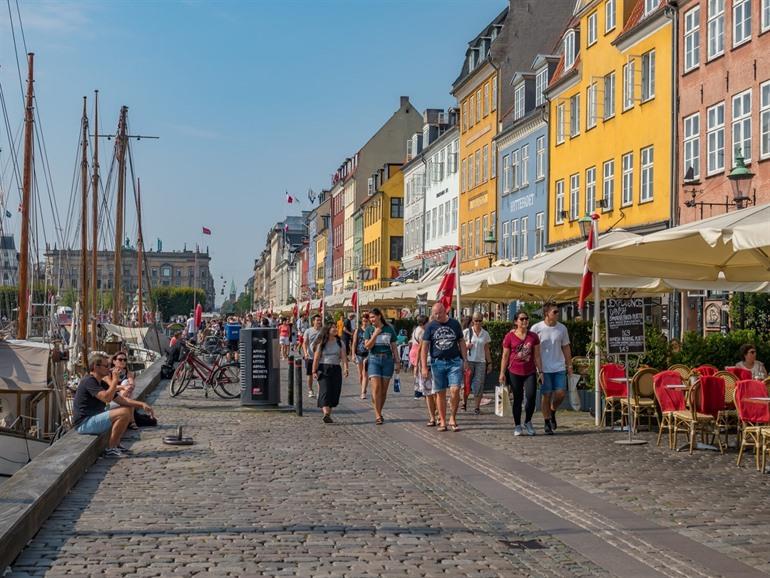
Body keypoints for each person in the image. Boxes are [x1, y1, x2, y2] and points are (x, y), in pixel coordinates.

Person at [73, 352, 155, 457]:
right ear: (96, 367)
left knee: (126, 408)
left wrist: (142, 404)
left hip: (93, 418)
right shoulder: (89, 381)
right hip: (84, 423)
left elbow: (122, 400)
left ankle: (116, 445)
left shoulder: (100, 382)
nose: (109, 368)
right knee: (123, 413)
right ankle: (111, 449)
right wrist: (115, 380)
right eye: (106, 366)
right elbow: (106, 398)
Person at [421, 302, 468, 432]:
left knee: (455, 389)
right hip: (437, 363)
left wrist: (465, 359)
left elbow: (461, 341)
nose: (437, 316)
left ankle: (452, 417)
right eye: (435, 314)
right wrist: (424, 366)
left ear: (445, 311)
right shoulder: (430, 326)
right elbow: (424, 347)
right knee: (440, 393)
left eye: (439, 313)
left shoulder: (455, 324)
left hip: (454, 362)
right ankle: (442, 420)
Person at [531, 303, 572, 434]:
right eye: (554, 312)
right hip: (544, 368)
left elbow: (566, 347)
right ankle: (547, 421)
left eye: (557, 311)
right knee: (546, 394)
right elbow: (530, 347)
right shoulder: (536, 328)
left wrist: (569, 365)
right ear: (546, 313)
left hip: (559, 366)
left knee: (561, 393)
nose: (557, 314)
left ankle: (553, 410)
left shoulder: (562, 328)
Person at [500, 310, 542, 436]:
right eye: (522, 319)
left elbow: (537, 356)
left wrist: (541, 371)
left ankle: (528, 421)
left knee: (531, 396)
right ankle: (517, 425)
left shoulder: (533, 336)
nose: (525, 321)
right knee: (517, 398)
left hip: (530, 371)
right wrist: (502, 372)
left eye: (526, 319)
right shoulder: (509, 337)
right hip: (514, 371)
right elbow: (505, 356)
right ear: (516, 321)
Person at [364, 307, 399, 425]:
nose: (372, 319)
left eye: (373, 317)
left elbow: (394, 346)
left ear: (379, 316)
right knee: (376, 388)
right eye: (370, 318)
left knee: (383, 391)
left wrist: (397, 361)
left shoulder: (389, 329)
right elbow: (367, 346)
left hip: (387, 360)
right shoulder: (369, 330)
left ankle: (379, 411)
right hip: (374, 359)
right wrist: (375, 334)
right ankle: (377, 415)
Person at [312, 324, 349, 423]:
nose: (335, 329)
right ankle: (326, 414)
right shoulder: (321, 343)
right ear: (327, 330)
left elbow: (344, 357)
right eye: (333, 327)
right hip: (323, 368)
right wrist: (314, 371)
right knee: (325, 390)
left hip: (336, 368)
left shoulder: (340, 342)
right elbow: (316, 358)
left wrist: (346, 368)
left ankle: (328, 414)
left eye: (336, 327)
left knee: (334, 391)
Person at [463, 314, 492, 415]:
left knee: (479, 385)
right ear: (472, 321)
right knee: (466, 384)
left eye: (480, 321)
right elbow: (459, 346)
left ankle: (477, 407)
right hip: (468, 361)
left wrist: (489, 363)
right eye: (476, 320)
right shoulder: (466, 332)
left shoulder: (485, 334)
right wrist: (466, 346)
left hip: (481, 362)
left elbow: (487, 349)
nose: (478, 323)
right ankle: (464, 403)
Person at [302, 315, 323, 398]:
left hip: (321, 357)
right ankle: (310, 390)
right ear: (313, 321)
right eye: (317, 320)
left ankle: (320, 392)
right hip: (310, 357)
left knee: (320, 374)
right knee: (310, 375)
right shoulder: (308, 331)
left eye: (320, 320)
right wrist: (305, 353)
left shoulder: (323, 331)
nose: (319, 322)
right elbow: (305, 343)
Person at [352, 314, 371, 399]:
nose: (365, 323)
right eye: (363, 321)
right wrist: (353, 354)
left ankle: (363, 392)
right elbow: (354, 343)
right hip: (359, 354)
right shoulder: (358, 330)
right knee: (360, 374)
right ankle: (363, 388)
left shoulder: (371, 330)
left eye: (366, 321)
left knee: (365, 373)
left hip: (367, 354)